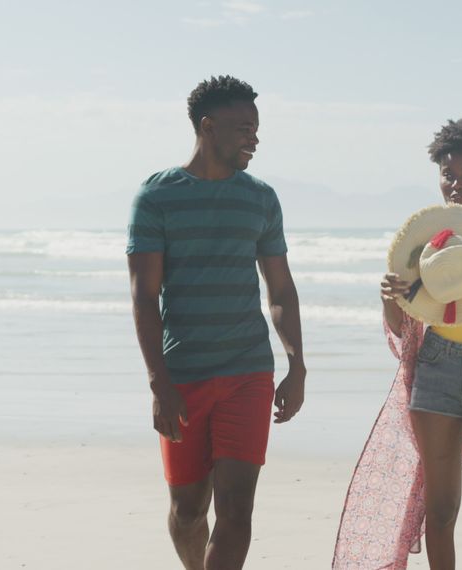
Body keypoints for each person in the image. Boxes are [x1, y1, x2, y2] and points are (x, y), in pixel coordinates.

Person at [333, 119, 462, 569]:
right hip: (436, 371)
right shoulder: (424, 243)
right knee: (442, 510)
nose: (457, 185)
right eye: (449, 175)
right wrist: (388, 296)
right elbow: (401, 326)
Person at [126, 75, 306, 570]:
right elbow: (144, 297)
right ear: (208, 127)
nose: (254, 138)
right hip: (183, 375)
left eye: (256, 128)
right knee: (188, 511)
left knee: (236, 512)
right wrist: (159, 381)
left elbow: (281, 290)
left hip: (248, 371)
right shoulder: (156, 197)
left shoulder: (261, 198)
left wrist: (297, 363)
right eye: (243, 127)